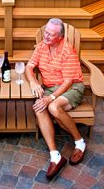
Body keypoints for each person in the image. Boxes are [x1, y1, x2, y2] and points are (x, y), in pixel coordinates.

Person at [25, 18, 86, 180]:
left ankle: (79, 142)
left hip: (72, 87)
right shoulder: (42, 46)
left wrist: (50, 98)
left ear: (60, 37)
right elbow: (29, 66)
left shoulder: (67, 50)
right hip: (51, 87)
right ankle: (55, 156)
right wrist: (33, 81)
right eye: (45, 32)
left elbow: (67, 82)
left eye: (51, 35)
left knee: (52, 107)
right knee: (39, 108)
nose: (46, 36)